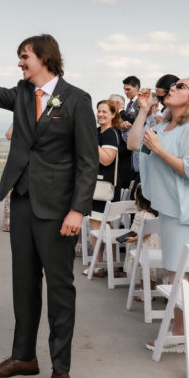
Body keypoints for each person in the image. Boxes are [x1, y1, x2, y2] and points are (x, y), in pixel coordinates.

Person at [0, 33, 96, 378]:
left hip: (59, 210)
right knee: (24, 284)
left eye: (24, 56)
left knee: (60, 290)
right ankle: (24, 357)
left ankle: (61, 370)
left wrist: (78, 210)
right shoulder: (19, 93)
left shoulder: (77, 99)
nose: (20, 63)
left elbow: (87, 161)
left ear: (45, 57)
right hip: (22, 203)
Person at [128, 78, 189, 347]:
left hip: (187, 208)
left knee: (179, 271)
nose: (173, 88)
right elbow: (133, 143)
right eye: (174, 85)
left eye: (181, 87)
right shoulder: (164, 126)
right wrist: (143, 111)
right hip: (170, 208)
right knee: (176, 270)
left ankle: (182, 333)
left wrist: (159, 149)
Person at [85, 99, 119, 278]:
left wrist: (91, 142)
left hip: (104, 186)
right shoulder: (98, 131)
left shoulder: (111, 134)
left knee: (99, 226)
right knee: (101, 226)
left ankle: (100, 265)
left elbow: (107, 159)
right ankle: (109, 265)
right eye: (99, 111)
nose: (100, 114)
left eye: (105, 111)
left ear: (114, 114)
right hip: (95, 184)